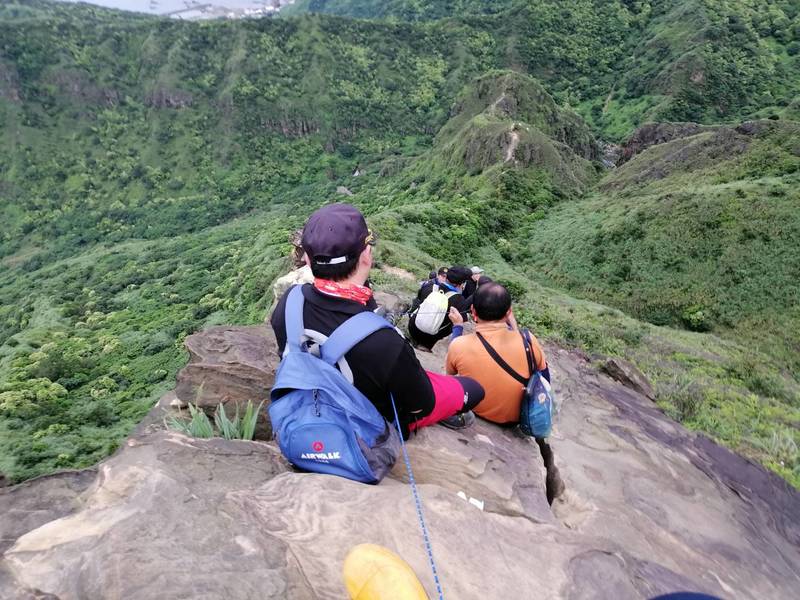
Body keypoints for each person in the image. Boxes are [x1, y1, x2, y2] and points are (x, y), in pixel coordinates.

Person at [270, 204, 484, 438]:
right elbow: (421, 405)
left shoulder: (290, 302)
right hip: (367, 420)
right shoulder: (384, 341)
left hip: (306, 400)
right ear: (366, 257)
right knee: (473, 389)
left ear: (309, 261)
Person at [445, 283, 564, 504]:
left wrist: (458, 328)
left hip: (475, 412)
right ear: (509, 312)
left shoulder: (459, 345)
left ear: (473, 313)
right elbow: (543, 380)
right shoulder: (528, 340)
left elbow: (451, 374)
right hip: (514, 421)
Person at [408, 265, 472, 351]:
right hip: (431, 339)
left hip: (413, 328)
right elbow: (461, 321)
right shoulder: (459, 300)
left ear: (446, 277)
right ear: (461, 284)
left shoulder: (429, 287)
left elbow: (418, 301)